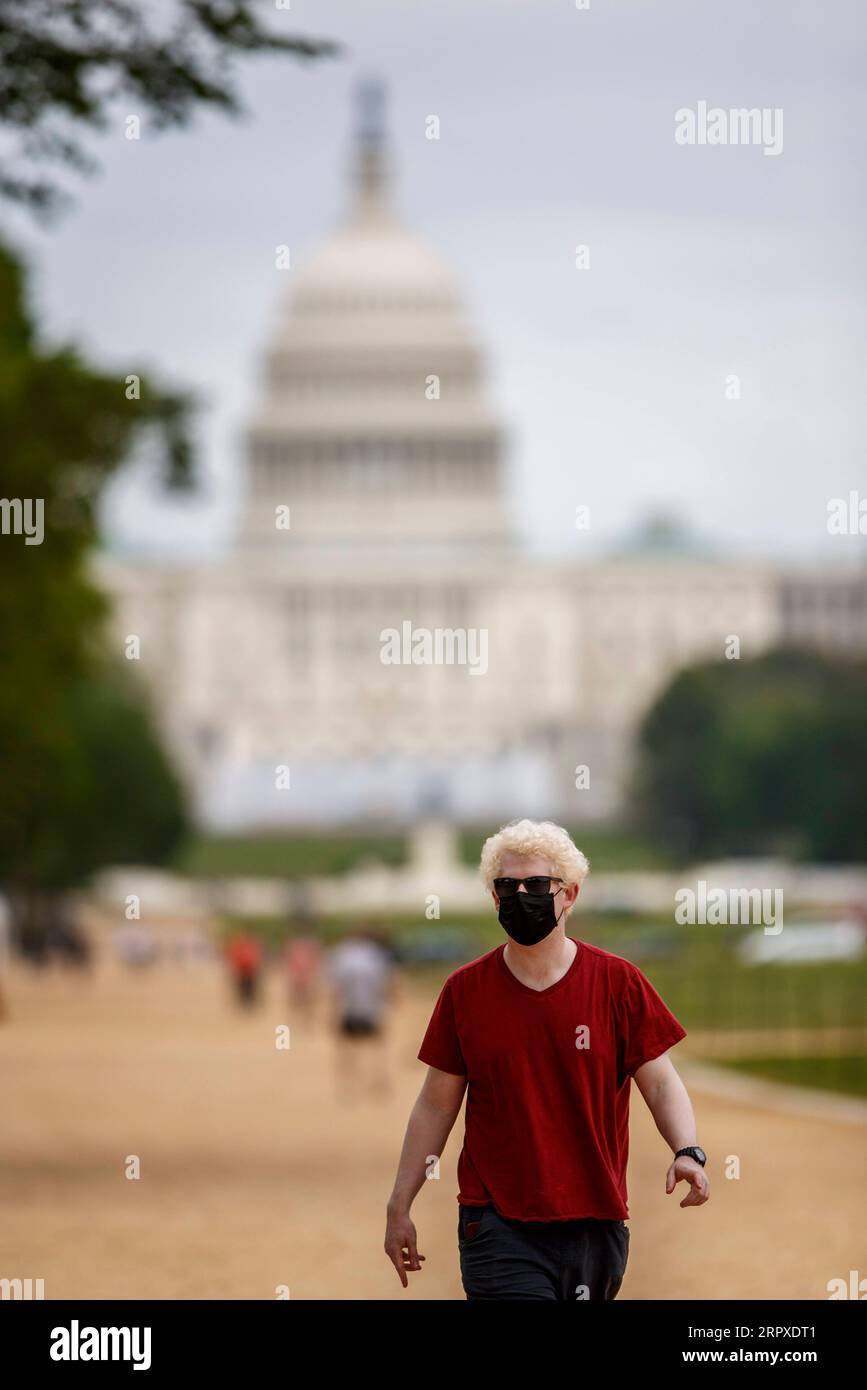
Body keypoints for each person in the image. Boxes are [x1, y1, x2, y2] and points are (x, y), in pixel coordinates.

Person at [384, 818, 709, 1300]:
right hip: (496, 1221)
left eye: (536, 884)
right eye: (506, 886)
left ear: (570, 894)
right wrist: (400, 1203)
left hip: (596, 1219)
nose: (520, 896)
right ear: (493, 898)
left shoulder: (618, 984)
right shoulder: (464, 992)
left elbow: (659, 1082)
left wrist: (687, 1150)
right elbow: (435, 1105)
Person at [327, 930, 395, 1100]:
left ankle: (348, 1087)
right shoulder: (375, 956)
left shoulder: (342, 956)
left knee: (347, 1049)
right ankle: (378, 1081)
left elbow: (336, 988)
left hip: (349, 1010)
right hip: (372, 1010)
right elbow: (386, 983)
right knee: (377, 1046)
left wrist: (332, 1011)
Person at [283, 927, 323, 1020]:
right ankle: (300, 1016)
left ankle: (304, 1016)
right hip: (300, 974)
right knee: (300, 997)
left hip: (305, 974)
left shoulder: (296, 946)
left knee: (306, 997)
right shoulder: (296, 946)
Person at [224, 929, 263, 1008]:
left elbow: (257, 958)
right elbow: (233, 956)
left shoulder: (252, 945)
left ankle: (249, 1003)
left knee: (249, 989)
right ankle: (244, 1003)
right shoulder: (240, 946)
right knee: (243, 989)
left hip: (250, 971)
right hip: (242, 971)